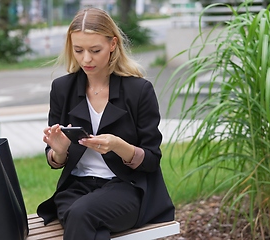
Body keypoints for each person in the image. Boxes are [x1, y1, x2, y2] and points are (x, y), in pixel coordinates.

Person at [37, 7, 175, 240]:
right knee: (80, 216)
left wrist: (119, 145)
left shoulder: (139, 91)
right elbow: (55, 159)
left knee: (80, 215)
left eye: (95, 50)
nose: (86, 59)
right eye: (78, 50)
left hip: (126, 187)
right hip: (76, 189)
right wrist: (58, 152)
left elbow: (151, 159)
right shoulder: (62, 89)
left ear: (112, 44)